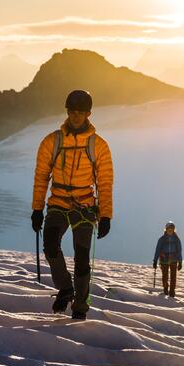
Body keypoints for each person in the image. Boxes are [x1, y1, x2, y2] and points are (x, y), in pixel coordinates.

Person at [31, 89, 113, 320]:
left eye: (81, 112)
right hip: (58, 201)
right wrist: (37, 209)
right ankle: (66, 288)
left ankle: (79, 308)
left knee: (82, 257)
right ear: (67, 111)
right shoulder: (52, 141)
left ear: (88, 113)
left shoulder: (99, 146)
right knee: (50, 245)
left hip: (84, 205)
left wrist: (106, 214)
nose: (76, 116)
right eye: (73, 111)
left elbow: (105, 182)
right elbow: (41, 176)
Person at [153, 221, 183, 297]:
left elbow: (179, 251)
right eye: (169, 229)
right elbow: (157, 250)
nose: (170, 231)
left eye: (171, 229)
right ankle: (165, 287)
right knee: (165, 277)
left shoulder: (176, 239)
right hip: (164, 260)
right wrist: (155, 260)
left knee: (173, 277)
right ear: (166, 229)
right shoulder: (162, 239)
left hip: (173, 260)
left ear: (173, 230)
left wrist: (180, 262)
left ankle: (172, 291)